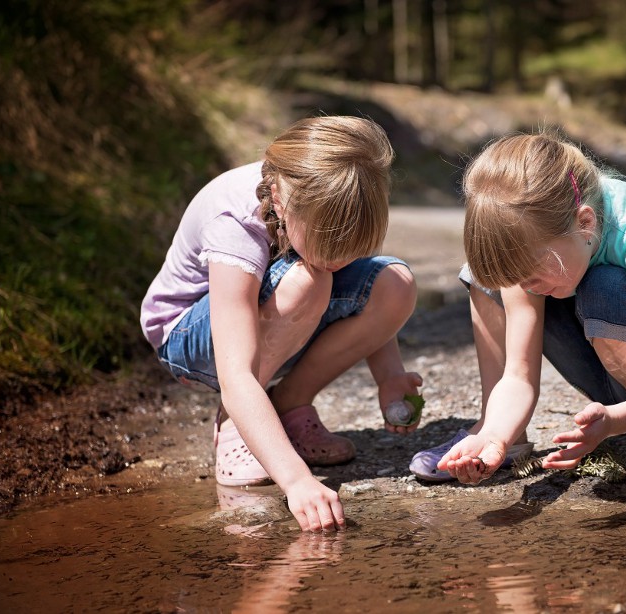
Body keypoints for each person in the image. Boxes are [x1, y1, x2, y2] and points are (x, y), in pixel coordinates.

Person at [409, 132, 626, 492]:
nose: (530, 289)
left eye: (536, 276)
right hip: (607, 365)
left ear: (584, 222)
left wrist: (613, 421)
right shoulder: (543, 247)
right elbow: (519, 376)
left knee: (605, 287)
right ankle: (499, 426)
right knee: (485, 275)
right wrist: (495, 435)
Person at [141, 116, 423, 532]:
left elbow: (362, 289)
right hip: (190, 338)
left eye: (352, 251)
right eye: (331, 247)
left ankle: (289, 403)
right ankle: (236, 423)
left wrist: (390, 375)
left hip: (277, 318)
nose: (341, 261)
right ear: (278, 197)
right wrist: (296, 480)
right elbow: (235, 372)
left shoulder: (326, 199)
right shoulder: (235, 222)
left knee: (393, 283)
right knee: (310, 279)